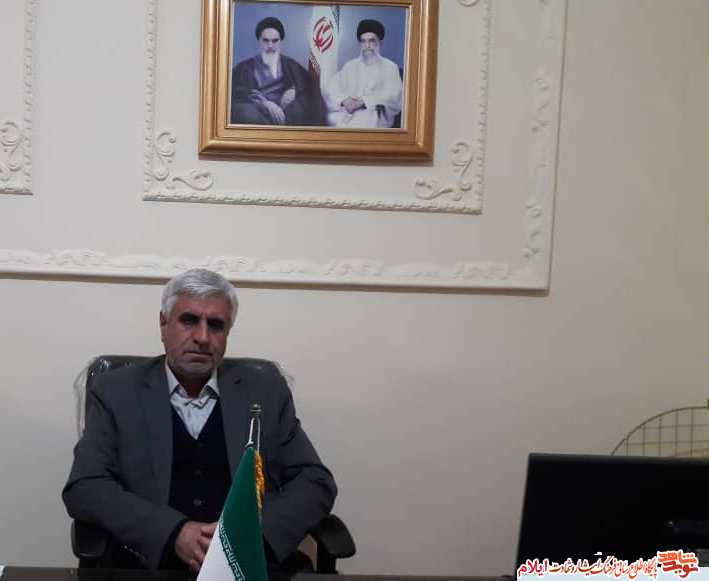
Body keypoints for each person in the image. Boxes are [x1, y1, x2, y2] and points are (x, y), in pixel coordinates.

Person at [63, 269, 336, 573]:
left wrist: (250, 534)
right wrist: (172, 533)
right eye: (189, 320)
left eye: (216, 325)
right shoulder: (116, 391)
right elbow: (85, 487)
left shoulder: (265, 392)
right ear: (163, 324)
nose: (203, 337)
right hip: (148, 567)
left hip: (249, 565)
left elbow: (315, 482)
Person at [231, 17, 326, 126]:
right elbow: (239, 92)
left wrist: (294, 91)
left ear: (280, 41)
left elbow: (309, 87)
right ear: (259, 41)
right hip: (259, 112)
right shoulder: (245, 67)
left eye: (275, 41)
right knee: (246, 112)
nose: (270, 46)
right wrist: (265, 104)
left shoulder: (290, 65)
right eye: (265, 40)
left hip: (287, 113)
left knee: (303, 106)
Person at [324, 19, 403, 128]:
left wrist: (363, 102)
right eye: (363, 41)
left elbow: (394, 95)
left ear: (380, 43)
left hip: (373, 117)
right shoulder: (350, 66)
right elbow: (332, 86)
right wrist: (344, 99)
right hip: (347, 114)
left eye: (372, 41)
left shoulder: (390, 67)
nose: (367, 45)